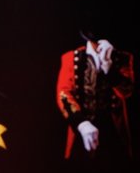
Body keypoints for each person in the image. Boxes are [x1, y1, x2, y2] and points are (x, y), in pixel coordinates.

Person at [56, 29, 134, 160]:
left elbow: (127, 91)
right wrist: (81, 123)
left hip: (112, 134)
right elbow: (63, 94)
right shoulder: (71, 57)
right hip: (82, 133)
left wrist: (109, 66)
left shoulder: (122, 58)